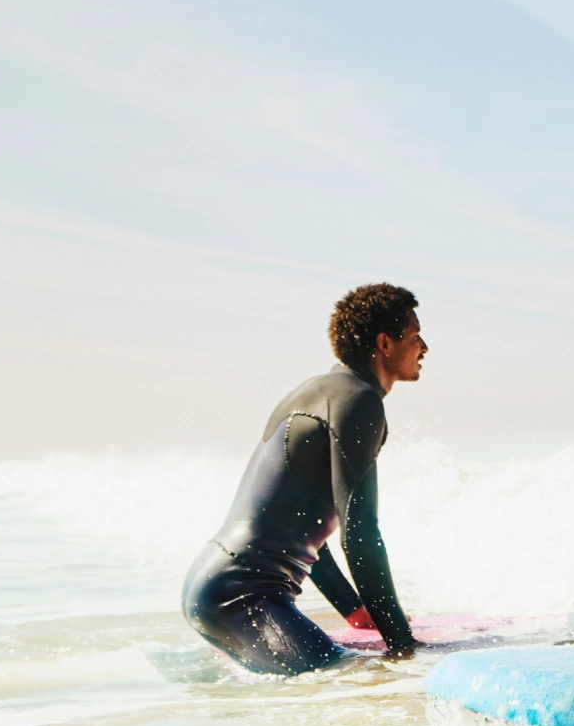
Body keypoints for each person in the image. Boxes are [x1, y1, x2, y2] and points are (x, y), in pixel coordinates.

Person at [180, 284, 428, 674]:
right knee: (344, 683)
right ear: (384, 342)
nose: (424, 347)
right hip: (244, 596)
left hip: (215, 586)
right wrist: (402, 643)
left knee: (327, 690)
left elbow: (308, 531)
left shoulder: (318, 392)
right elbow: (360, 532)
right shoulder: (359, 400)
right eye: (415, 336)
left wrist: (354, 609)